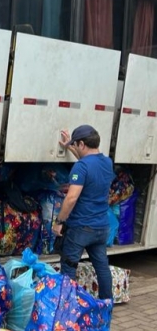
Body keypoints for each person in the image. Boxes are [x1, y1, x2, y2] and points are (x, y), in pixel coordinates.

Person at [53, 125, 115, 300]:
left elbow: (71, 198)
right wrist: (71, 148)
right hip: (101, 227)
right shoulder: (107, 162)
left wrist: (59, 222)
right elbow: (88, 164)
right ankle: (106, 305)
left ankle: (66, 309)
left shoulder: (81, 167)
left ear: (81, 144)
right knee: (102, 267)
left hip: (81, 227)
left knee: (68, 266)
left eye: (76, 144)